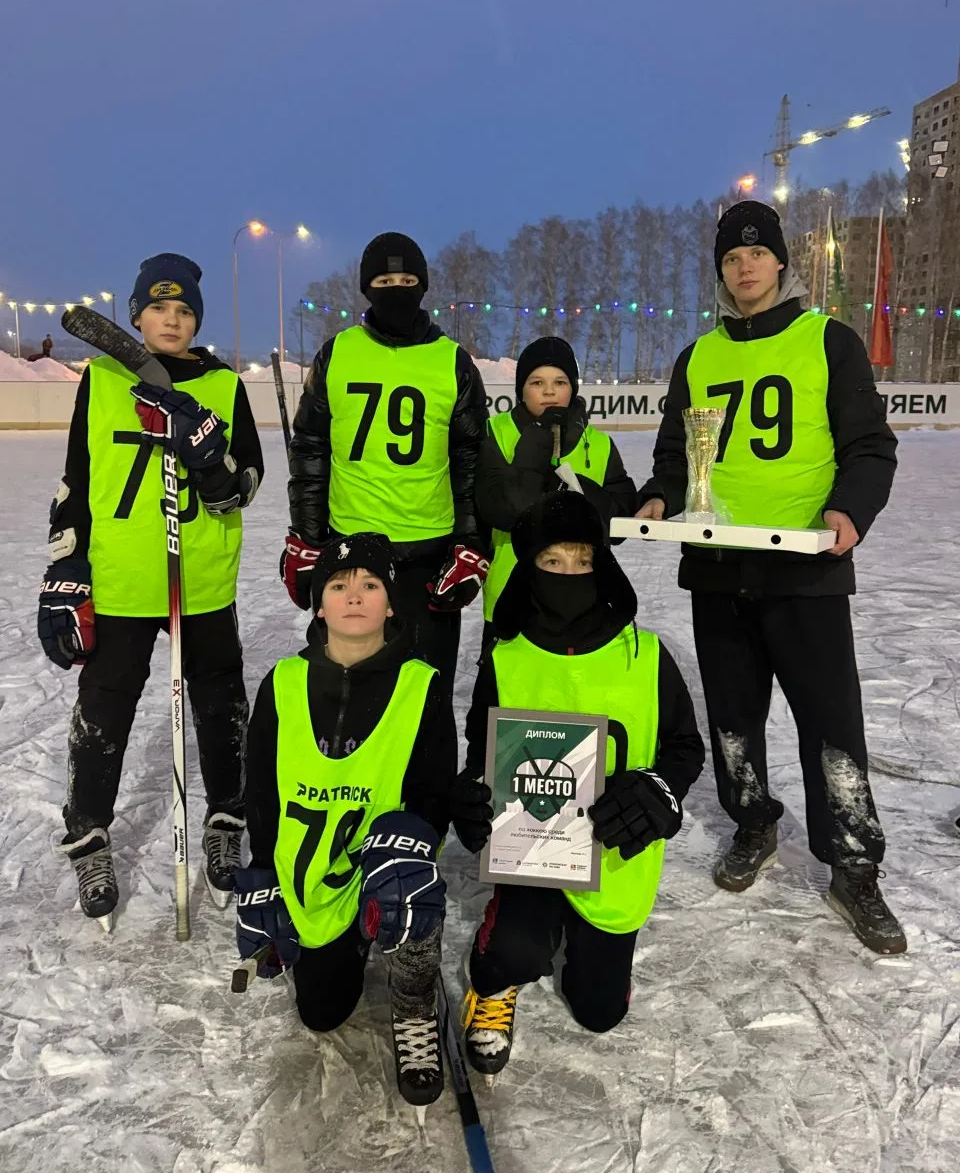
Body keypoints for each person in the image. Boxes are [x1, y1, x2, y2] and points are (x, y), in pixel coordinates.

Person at [635, 200, 905, 955]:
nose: (744, 267)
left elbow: (870, 446)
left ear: (781, 261)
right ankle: (753, 821)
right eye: (731, 257)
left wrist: (850, 510)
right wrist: (658, 495)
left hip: (805, 571)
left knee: (831, 723)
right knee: (732, 716)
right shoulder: (697, 357)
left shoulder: (828, 340)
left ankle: (853, 864)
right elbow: (673, 455)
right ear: (720, 271)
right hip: (718, 569)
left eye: (756, 254)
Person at [38, 253, 264, 928]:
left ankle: (226, 820)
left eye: (185, 309)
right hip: (122, 576)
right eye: (160, 308)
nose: (173, 319)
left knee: (220, 706)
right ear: (136, 316)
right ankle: (88, 836)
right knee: (103, 710)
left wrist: (210, 456)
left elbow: (244, 485)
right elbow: (77, 476)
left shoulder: (223, 384)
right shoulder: (103, 378)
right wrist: (64, 571)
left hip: (202, 578)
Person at [449, 491, 704, 1079]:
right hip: (533, 853)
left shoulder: (645, 654)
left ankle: (589, 952)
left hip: (615, 856)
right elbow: (481, 753)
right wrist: (472, 797)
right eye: (552, 561)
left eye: (583, 560)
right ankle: (495, 973)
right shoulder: (506, 657)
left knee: (598, 1013)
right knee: (515, 949)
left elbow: (685, 747)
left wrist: (659, 789)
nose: (568, 573)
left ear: (602, 565)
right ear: (530, 567)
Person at [236, 533, 456, 1107]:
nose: (353, 595)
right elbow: (261, 789)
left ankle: (414, 998)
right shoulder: (283, 682)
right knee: (322, 1012)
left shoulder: (422, 685)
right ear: (319, 605)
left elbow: (435, 793)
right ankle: (348, 940)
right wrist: (262, 873)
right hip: (314, 873)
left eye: (370, 584)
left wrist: (415, 844)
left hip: (387, 866)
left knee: (413, 892)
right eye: (338, 585)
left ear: (390, 604)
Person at [282, 232, 489, 700]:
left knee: (426, 693)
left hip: (429, 553)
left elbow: (470, 460)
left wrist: (470, 543)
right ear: (366, 288)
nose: (397, 290)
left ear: (423, 286)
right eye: (384, 281)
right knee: (347, 690)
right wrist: (308, 535)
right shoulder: (337, 353)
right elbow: (311, 447)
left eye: (408, 281)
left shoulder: (453, 362)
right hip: (350, 549)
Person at [475, 335, 637, 641]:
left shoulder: (599, 444)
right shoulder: (495, 432)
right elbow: (503, 509)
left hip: (585, 601)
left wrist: (577, 491)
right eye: (537, 382)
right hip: (511, 600)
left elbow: (620, 523)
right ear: (521, 389)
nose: (549, 391)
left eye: (559, 382)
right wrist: (538, 440)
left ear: (572, 388)